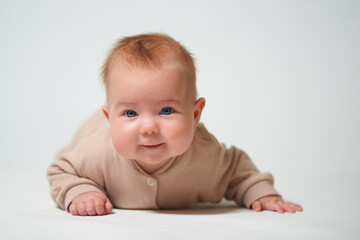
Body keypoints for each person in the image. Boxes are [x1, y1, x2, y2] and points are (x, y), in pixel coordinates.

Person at [47, 33, 303, 216]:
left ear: (194, 114)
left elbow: (238, 171)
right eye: (130, 113)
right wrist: (79, 191)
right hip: (88, 133)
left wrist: (261, 193)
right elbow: (60, 170)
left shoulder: (207, 157)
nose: (148, 127)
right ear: (109, 118)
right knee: (73, 150)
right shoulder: (96, 153)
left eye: (166, 110)